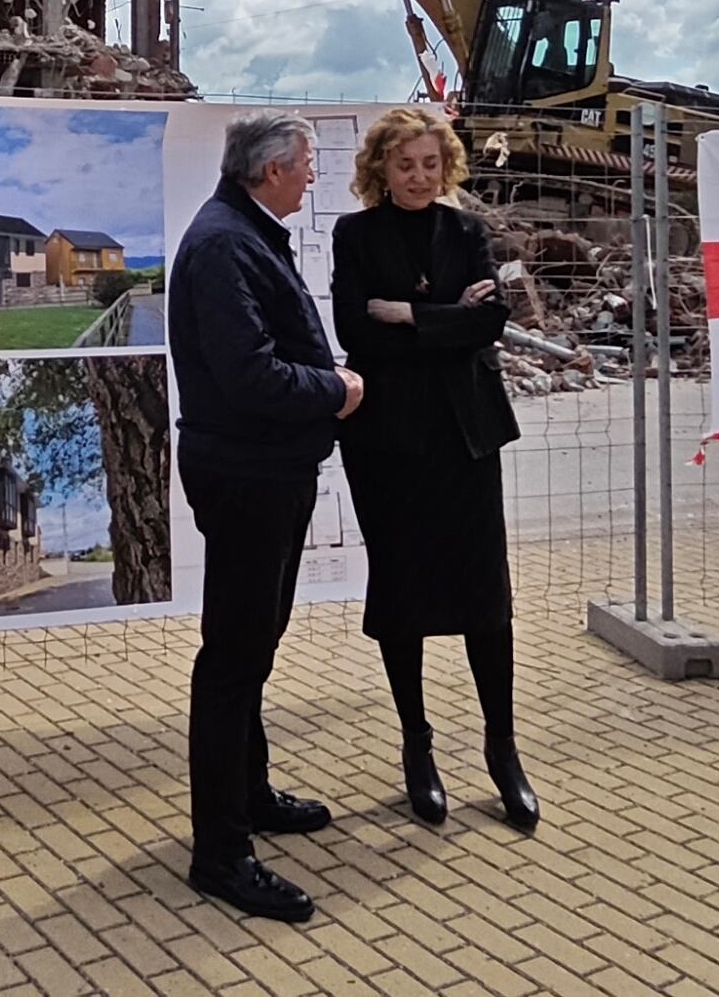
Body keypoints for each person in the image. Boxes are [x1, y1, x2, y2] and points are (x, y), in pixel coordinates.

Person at [170, 112, 366, 923]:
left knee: (253, 648)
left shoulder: (243, 231)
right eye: (308, 164)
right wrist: (339, 391)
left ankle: (249, 796)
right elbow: (251, 378)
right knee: (233, 660)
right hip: (246, 474)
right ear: (272, 170)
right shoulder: (224, 245)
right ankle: (220, 853)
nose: (314, 176)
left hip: (269, 471)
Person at [330, 105, 538, 833]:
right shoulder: (354, 234)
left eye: (429, 164)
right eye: (404, 165)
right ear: (380, 170)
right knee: (403, 592)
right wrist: (446, 314)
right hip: (388, 441)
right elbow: (356, 331)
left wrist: (412, 315)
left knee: (487, 594)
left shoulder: (469, 231)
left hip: (466, 435)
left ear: (445, 164)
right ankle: (417, 744)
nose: (418, 177)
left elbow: (492, 323)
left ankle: (501, 747)